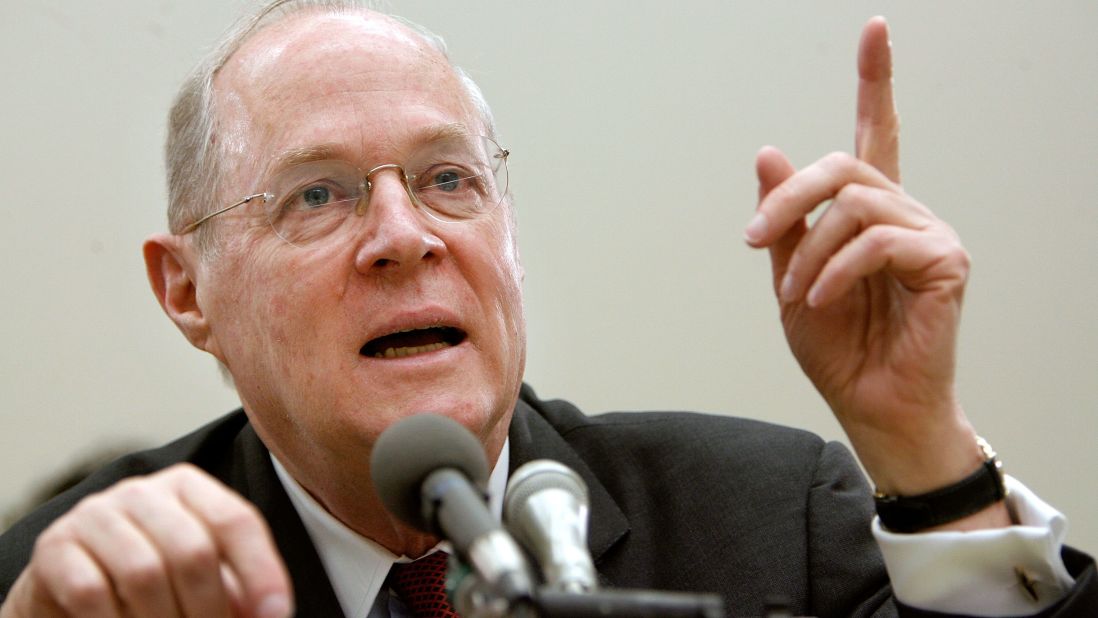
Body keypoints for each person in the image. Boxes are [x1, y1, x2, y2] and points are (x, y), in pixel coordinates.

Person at [0, 1, 1094, 616]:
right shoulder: (90, 581)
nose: (406, 235)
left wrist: (922, 447)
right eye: (319, 194)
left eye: (448, 180)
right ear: (186, 290)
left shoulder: (775, 521)